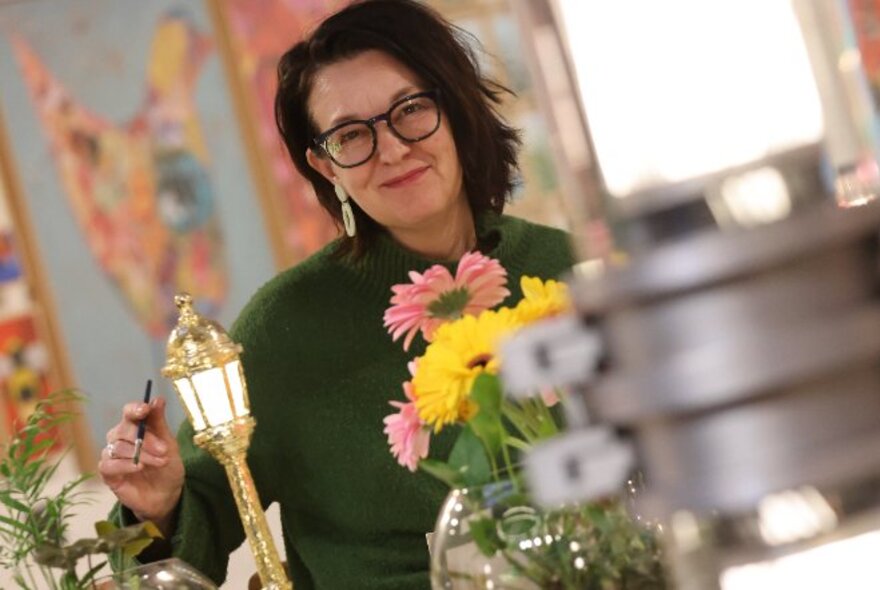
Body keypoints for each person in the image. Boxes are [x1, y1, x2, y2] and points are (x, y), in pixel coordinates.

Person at [98, 0, 576, 587]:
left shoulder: (567, 271)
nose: (393, 149)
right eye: (352, 135)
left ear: (452, 107)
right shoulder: (283, 329)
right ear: (326, 168)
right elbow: (191, 541)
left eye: (410, 109)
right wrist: (158, 506)